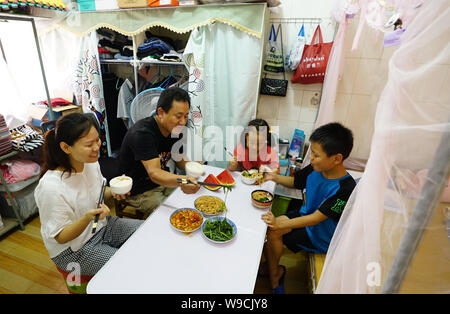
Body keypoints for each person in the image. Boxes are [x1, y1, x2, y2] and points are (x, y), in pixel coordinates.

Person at [34, 113, 143, 276]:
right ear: (66, 147)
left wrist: (113, 192)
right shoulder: (51, 188)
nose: (97, 147)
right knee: (127, 266)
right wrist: (87, 218)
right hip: (73, 250)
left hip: (101, 226)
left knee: (146, 231)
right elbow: (61, 237)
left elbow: (98, 193)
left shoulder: (90, 164)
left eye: (97, 140)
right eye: (88, 144)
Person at [260, 122, 356, 294]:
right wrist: (272, 177)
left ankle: (275, 276)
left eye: (316, 155)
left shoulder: (346, 188)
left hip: (320, 234)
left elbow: (317, 218)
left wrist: (280, 223)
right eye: (311, 152)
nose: (310, 158)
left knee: (275, 229)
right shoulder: (316, 167)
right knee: (271, 228)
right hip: (306, 217)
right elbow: (296, 182)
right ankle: (272, 267)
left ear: (337, 159)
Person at [116, 87, 201, 217]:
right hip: (139, 189)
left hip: (162, 181)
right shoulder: (142, 133)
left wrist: (194, 166)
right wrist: (184, 180)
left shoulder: (175, 129)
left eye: (186, 116)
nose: (183, 122)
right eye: (178, 116)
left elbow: (179, 159)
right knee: (174, 215)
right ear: (161, 112)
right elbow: (154, 173)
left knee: (190, 202)